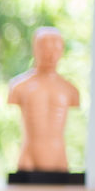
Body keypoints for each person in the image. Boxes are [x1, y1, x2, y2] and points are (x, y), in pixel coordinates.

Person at [8, 27, 80, 172]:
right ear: (35, 49)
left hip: (59, 157)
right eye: (46, 49)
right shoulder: (20, 86)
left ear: (61, 52)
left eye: (56, 50)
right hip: (28, 157)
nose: (51, 56)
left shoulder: (69, 89)